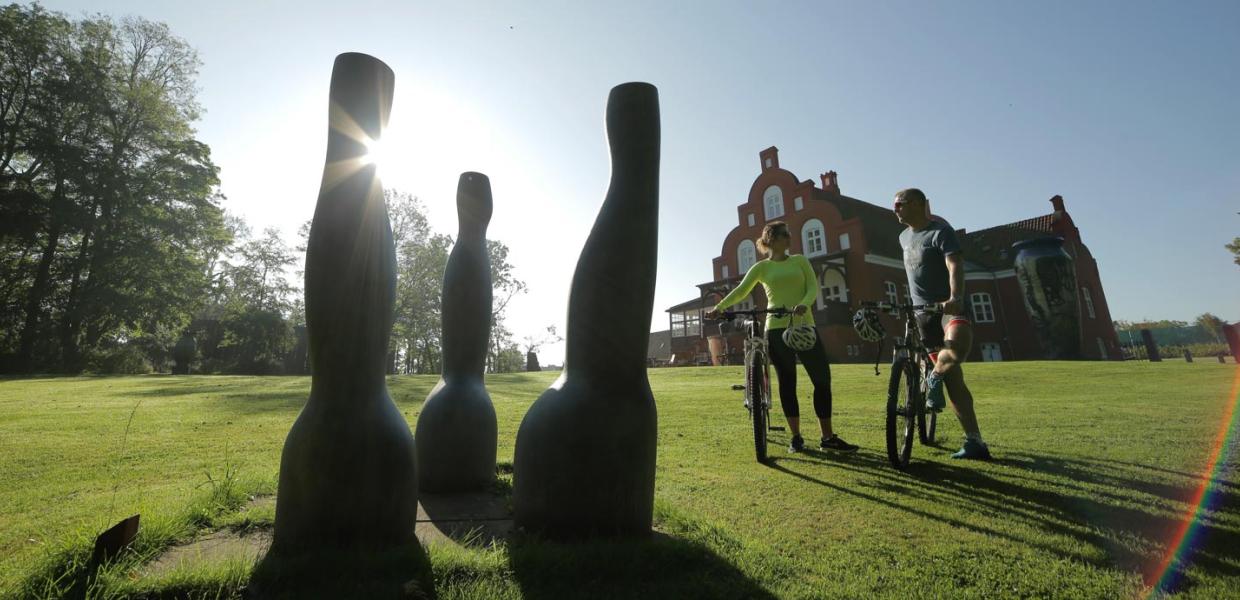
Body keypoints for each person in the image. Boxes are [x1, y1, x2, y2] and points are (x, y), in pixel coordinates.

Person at [706, 221, 858, 453]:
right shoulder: (761, 268)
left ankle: (827, 437)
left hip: (804, 326)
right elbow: (741, 290)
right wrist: (720, 307)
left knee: (822, 381)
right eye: (785, 234)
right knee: (787, 383)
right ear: (773, 239)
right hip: (776, 329)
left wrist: (804, 305)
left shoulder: (800, 261)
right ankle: (796, 437)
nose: (790, 237)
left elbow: (812, 288)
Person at [893, 188, 990, 460]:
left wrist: (955, 297)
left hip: (947, 306)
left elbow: (954, 265)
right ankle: (975, 442)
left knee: (957, 348)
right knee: (955, 381)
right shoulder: (902, 237)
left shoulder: (940, 232)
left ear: (919, 204)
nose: (895, 209)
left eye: (900, 204)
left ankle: (933, 376)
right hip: (922, 314)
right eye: (894, 204)